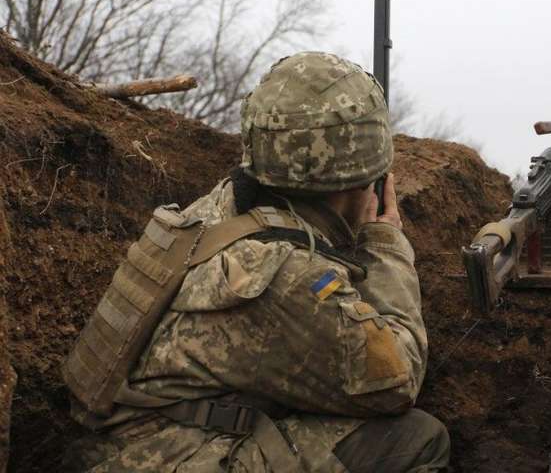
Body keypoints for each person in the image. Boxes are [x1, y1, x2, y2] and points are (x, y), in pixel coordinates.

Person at [63, 51, 449, 472]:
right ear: (361, 182)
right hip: (166, 458)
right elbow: (398, 380)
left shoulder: (220, 206)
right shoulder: (284, 271)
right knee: (416, 439)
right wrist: (385, 242)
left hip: (110, 447)